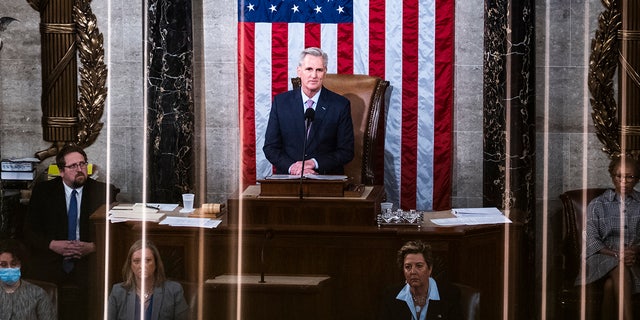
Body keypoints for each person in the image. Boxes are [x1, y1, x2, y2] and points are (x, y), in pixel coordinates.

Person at [25, 144, 118, 319]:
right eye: (73, 166)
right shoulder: (44, 191)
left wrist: (94, 246)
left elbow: (115, 232)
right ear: (61, 171)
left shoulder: (103, 192)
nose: (80, 169)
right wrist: (52, 244)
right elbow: (29, 231)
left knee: (99, 285)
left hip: (88, 259)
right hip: (52, 257)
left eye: (82, 164)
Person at [263, 47, 354, 176]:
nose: (314, 75)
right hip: (289, 178)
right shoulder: (281, 103)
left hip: (325, 178)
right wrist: (292, 167)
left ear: (325, 73)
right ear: (299, 71)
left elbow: (346, 151)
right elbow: (270, 148)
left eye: (319, 70)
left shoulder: (340, 105)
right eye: (309, 69)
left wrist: (314, 163)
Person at [576, 156, 640, 320]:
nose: (624, 181)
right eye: (619, 176)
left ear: (637, 179)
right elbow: (591, 240)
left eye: (630, 177)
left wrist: (634, 250)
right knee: (618, 265)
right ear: (612, 176)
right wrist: (618, 254)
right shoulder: (597, 204)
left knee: (611, 286)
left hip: (633, 260)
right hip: (600, 257)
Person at [378, 240, 463, 320]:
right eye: (408, 267)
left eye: (419, 266)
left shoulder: (450, 295)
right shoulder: (391, 295)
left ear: (429, 269)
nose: (413, 272)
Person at [108, 240, 189, 320]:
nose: (142, 266)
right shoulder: (118, 292)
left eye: (147, 260)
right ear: (130, 266)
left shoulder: (173, 291)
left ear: (156, 263)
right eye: (136, 261)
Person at [0, 239, 56, 320]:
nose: (9, 268)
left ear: (21, 264)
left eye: (14, 264)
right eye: (3, 264)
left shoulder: (38, 294)